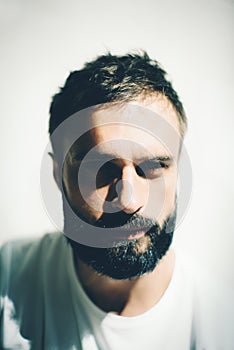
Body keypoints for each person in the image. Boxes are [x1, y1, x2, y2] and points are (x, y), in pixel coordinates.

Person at [0, 52, 232, 350]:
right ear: (58, 174)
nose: (129, 201)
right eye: (99, 169)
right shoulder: (10, 282)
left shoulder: (221, 326)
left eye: (153, 167)